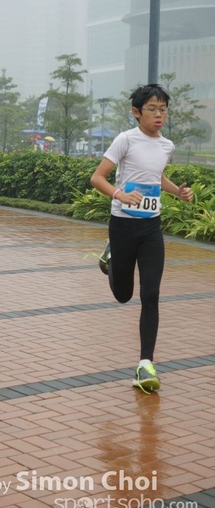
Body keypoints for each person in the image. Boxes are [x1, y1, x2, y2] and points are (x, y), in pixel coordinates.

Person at [90, 84, 193, 393]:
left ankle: (145, 363)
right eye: (152, 109)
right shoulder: (125, 139)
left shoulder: (166, 146)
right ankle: (110, 255)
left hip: (151, 228)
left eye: (163, 109)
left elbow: (155, 176)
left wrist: (177, 192)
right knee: (123, 295)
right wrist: (120, 195)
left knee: (151, 294)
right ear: (136, 112)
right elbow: (97, 177)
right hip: (122, 226)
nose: (159, 115)